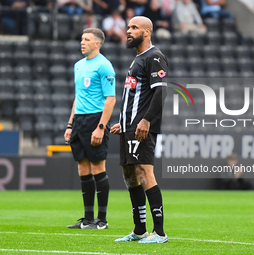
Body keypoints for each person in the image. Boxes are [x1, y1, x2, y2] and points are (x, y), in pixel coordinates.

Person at [110, 16, 168, 243]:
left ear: (148, 31)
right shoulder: (138, 60)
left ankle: (160, 233)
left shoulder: (154, 57)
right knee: (129, 176)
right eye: (128, 27)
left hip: (142, 128)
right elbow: (135, 97)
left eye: (134, 27)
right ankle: (140, 230)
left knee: (144, 173)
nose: (129, 31)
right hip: (129, 127)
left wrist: (145, 121)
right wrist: (123, 122)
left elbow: (161, 92)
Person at [64, 28, 116, 230]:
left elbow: (110, 99)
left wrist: (101, 127)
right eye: (81, 39)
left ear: (97, 43)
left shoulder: (104, 66)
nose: (82, 42)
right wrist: (70, 124)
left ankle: (102, 221)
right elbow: (78, 98)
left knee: (97, 168)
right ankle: (87, 220)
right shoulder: (78, 66)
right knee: (83, 168)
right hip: (79, 121)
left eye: (86, 39)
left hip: (95, 120)